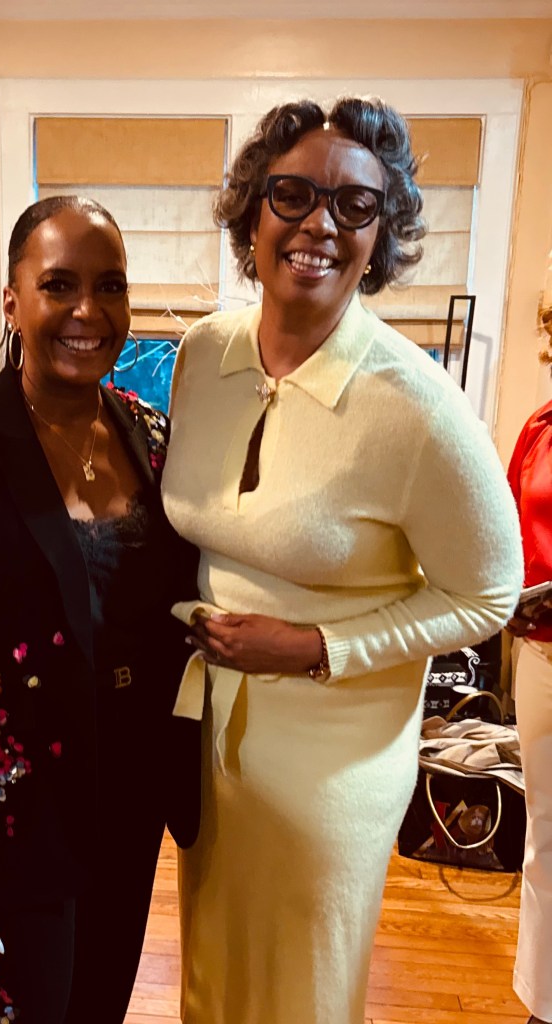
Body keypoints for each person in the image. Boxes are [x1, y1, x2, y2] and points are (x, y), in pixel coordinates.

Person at [160, 97, 524, 1024]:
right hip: (209, 734)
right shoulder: (203, 354)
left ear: (381, 234)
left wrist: (315, 646)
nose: (320, 224)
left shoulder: (419, 407)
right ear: (253, 212)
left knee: (303, 989)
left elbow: (488, 595)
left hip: (334, 757)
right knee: (214, 971)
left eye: (355, 205)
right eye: (293, 194)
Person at [0, 196, 197, 1024]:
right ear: (12, 301)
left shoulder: (155, 439)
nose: (88, 311)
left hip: (129, 803)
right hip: (12, 823)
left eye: (110, 286)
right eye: (59, 285)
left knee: (99, 1008)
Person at [507, 395, 552, 1024]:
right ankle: (543, 1004)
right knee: (545, 832)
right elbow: (512, 531)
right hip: (542, 653)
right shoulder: (541, 427)